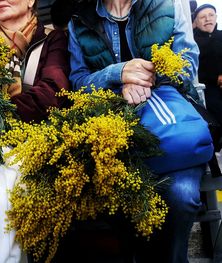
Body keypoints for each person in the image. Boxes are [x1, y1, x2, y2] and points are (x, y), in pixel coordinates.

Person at [68, 0, 214, 262]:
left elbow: (188, 65)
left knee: (180, 197)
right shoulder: (80, 20)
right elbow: (78, 83)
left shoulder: (168, 4)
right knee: (119, 207)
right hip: (115, 138)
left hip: (171, 129)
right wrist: (119, 75)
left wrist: (145, 78)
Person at [0, 0, 70, 261]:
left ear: (31, 1)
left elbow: (53, 92)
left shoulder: (54, 40)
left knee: (0, 181)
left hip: (39, 144)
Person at [193, 4, 222, 149]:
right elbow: (195, 69)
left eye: (211, 15)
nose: (207, 19)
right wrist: (216, 78)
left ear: (216, 17)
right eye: (202, 17)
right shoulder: (192, 42)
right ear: (196, 22)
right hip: (208, 89)